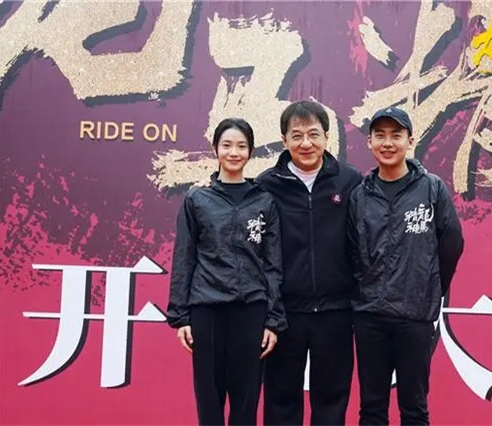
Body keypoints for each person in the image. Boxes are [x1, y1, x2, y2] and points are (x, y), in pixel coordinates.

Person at [347, 107, 465, 425]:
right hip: (370, 316)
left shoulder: (431, 189)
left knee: (414, 408)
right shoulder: (359, 196)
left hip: (415, 315)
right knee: (372, 408)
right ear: (369, 142)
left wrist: (429, 285)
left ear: (410, 141)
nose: (388, 143)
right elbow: (350, 251)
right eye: (380, 136)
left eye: (396, 136)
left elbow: (452, 244)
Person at [166, 117, 287, 426]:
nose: (234, 152)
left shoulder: (264, 200)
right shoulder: (197, 198)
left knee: (246, 402)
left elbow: (273, 264)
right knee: (209, 400)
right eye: (227, 145)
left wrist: (273, 320)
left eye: (242, 146)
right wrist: (181, 316)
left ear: (251, 151)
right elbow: (184, 257)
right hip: (207, 309)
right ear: (215, 149)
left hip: (251, 309)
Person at [256, 100, 362, 425]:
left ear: (327, 137)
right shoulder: (266, 186)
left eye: (314, 134)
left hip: (336, 312)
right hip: (284, 314)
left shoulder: (350, 182)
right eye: (297, 135)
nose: (306, 143)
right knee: (281, 401)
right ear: (284, 140)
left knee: (331, 402)